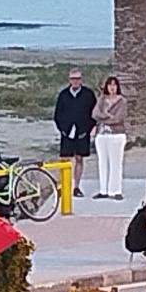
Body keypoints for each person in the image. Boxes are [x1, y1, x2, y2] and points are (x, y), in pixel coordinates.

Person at [53, 68, 97, 199]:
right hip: (67, 132)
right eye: (73, 79)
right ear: (69, 80)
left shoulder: (88, 94)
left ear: (81, 80)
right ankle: (63, 185)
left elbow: (93, 113)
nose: (75, 81)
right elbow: (58, 114)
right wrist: (62, 130)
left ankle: (76, 186)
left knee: (79, 158)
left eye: (77, 79)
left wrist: (88, 129)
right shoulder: (63, 95)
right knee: (64, 159)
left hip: (82, 132)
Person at [91, 75, 127, 200]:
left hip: (116, 134)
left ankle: (115, 190)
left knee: (116, 163)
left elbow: (118, 118)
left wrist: (104, 118)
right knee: (103, 162)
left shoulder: (122, 101)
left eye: (114, 85)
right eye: (110, 85)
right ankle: (103, 190)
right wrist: (106, 116)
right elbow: (95, 114)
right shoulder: (102, 99)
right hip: (102, 135)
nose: (112, 87)